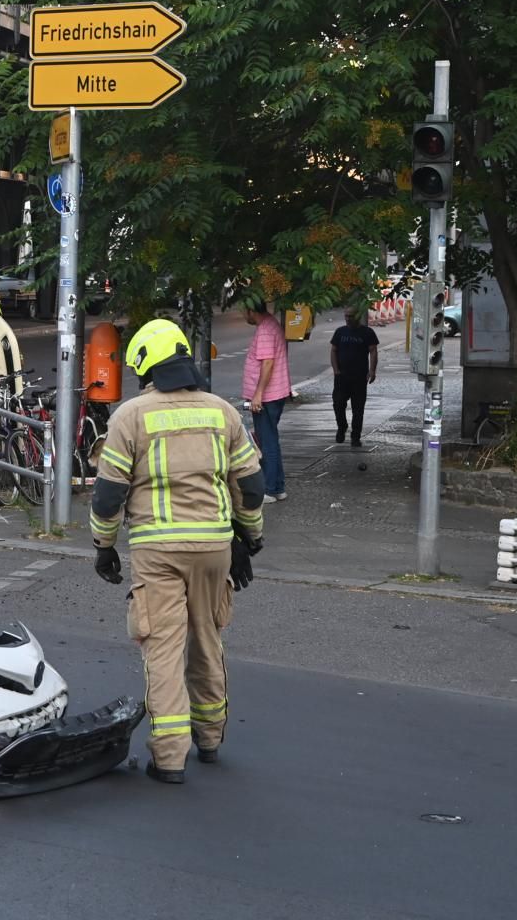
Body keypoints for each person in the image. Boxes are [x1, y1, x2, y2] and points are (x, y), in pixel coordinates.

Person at [91, 318, 265, 785]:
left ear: (146, 363)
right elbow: (250, 485)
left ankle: (169, 758)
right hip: (213, 548)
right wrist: (249, 537)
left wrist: (103, 546)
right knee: (207, 639)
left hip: (158, 552)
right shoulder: (221, 412)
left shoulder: (130, 417)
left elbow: (108, 496)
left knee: (163, 648)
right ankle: (209, 739)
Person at [242, 303, 291, 501]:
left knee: (266, 442)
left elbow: (268, 363)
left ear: (251, 311)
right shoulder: (272, 324)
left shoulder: (264, 330)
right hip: (274, 394)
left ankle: (270, 489)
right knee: (270, 440)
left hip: (267, 396)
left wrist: (258, 394)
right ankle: (278, 487)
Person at [330, 307, 379, 447]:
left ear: (357, 316)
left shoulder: (367, 332)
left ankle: (355, 436)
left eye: (350, 316)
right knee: (338, 404)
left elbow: (373, 351)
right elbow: (333, 350)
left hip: (359, 377)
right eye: (346, 316)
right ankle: (342, 426)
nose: (348, 319)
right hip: (341, 376)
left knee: (358, 409)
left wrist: (372, 371)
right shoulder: (340, 332)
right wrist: (336, 370)